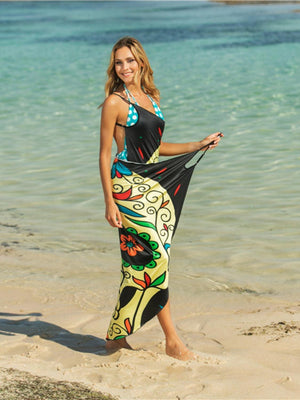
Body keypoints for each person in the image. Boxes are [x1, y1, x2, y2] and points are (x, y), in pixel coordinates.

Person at [99, 36, 223, 361]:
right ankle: (172, 340)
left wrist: (197, 145)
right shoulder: (115, 102)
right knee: (156, 261)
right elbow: (104, 153)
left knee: (142, 265)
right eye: (118, 62)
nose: (124, 67)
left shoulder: (152, 98)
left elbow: (156, 149)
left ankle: (115, 336)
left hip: (154, 187)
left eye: (129, 60)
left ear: (140, 61)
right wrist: (109, 202)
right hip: (127, 186)